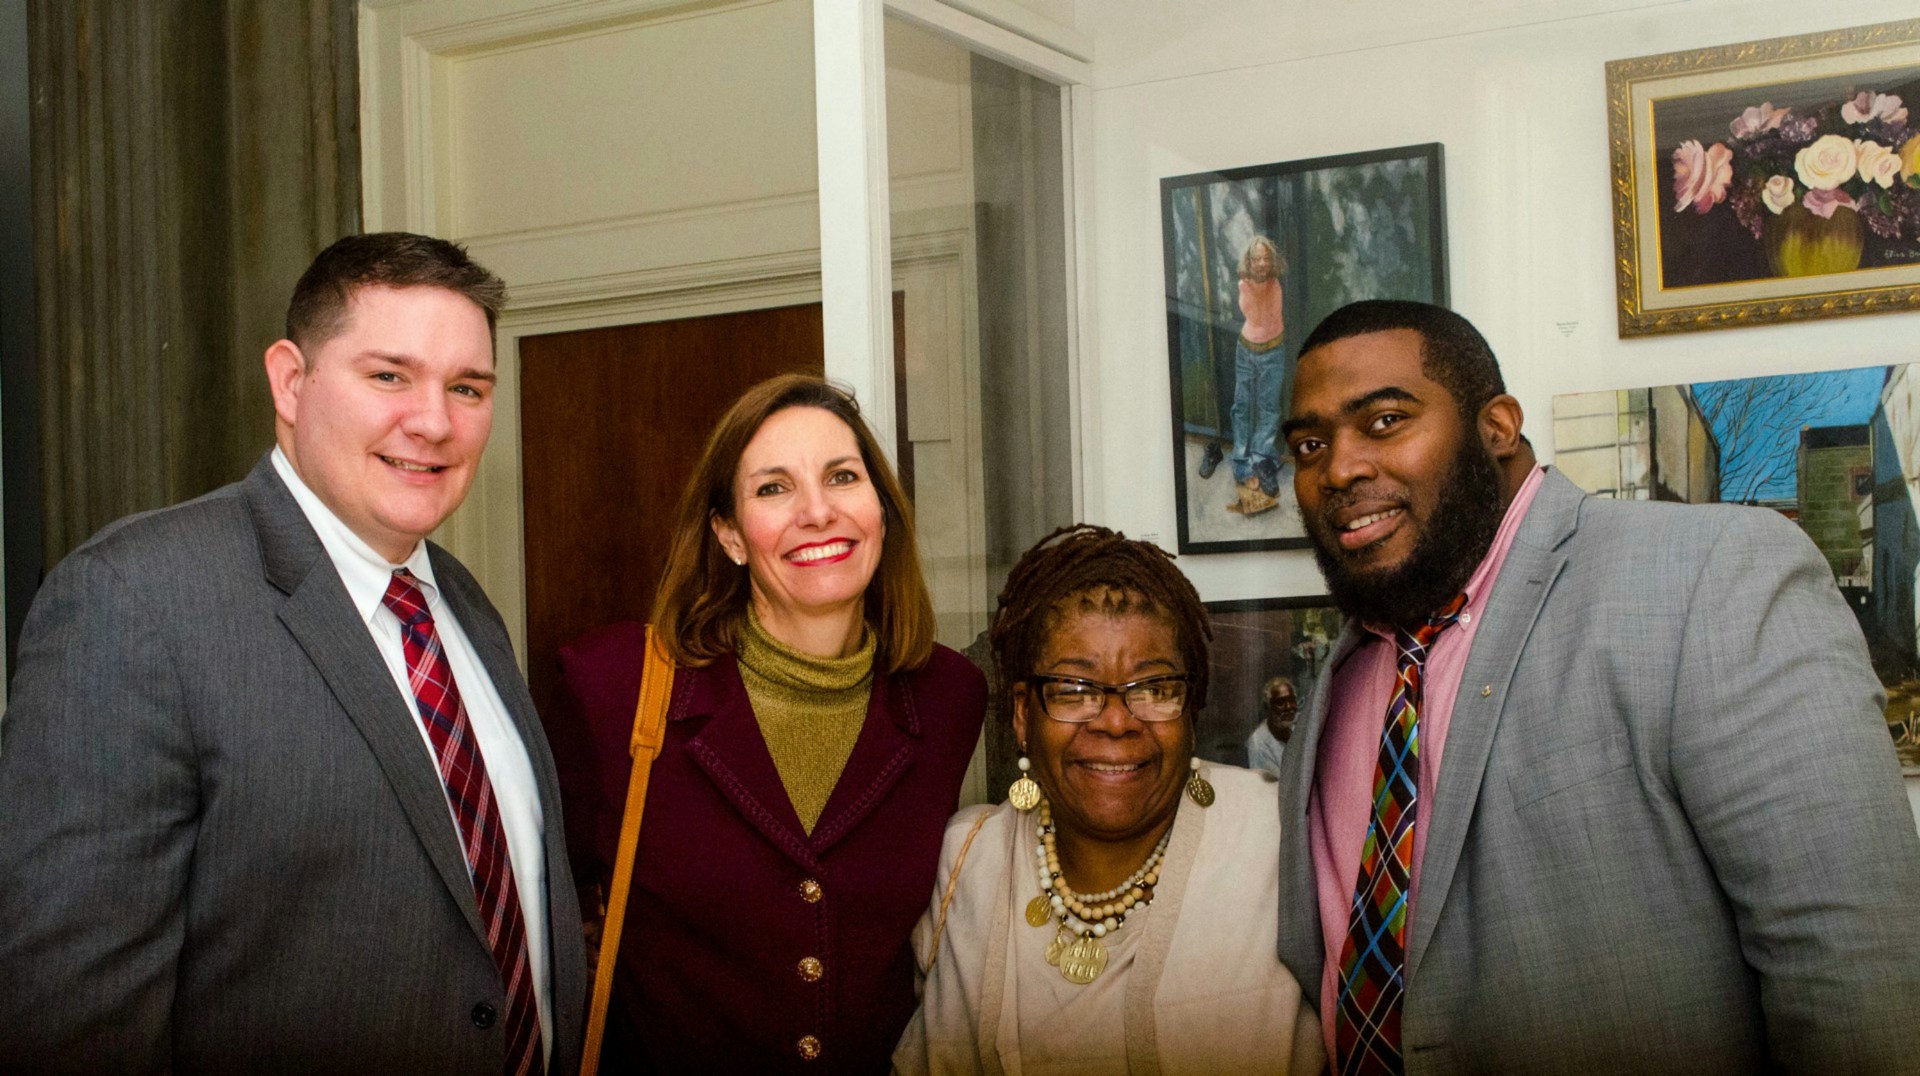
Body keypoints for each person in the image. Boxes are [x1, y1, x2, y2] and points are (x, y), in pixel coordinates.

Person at [1276, 299, 1920, 1074]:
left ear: (1498, 426)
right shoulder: (1337, 683)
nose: (1338, 468)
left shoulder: (1716, 577)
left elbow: (1861, 976)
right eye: (1310, 444)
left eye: (1384, 420)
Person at [0, 232, 586, 1073]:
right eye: (389, 375)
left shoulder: (463, 605)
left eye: (468, 387)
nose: (433, 421)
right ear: (289, 378)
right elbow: (71, 1021)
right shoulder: (137, 600)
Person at [555, 374, 985, 1071]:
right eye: (773, 488)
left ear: (880, 507)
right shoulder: (612, 687)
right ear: (728, 533)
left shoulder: (949, 699)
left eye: (842, 477)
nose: (817, 513)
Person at [894, 525, 1323, 1074]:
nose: (1117, 720)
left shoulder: (1281, 839)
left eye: (1155, 688)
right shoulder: (967, 862)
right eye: (1074, 690)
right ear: (1024, 715)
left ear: (1191, 708)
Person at [1227, 235, 1288, 517]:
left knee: (1268, 408)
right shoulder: (1243, 285)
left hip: (1273, 352)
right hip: (1246, 351)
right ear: (1248, 262)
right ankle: (1242, 463)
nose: (1262, 263)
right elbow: (1250, 311)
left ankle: (1262, 460)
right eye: (1256, 259)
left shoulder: (1274, 285)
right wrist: (1248, 282)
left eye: (1266, 258)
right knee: (1241, 406)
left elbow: (1266, 308)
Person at [1244, 675, 1296, 778]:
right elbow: (1273, 787)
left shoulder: (1295, 729)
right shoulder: (1259, 743)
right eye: (1281, 702)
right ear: (1268, 708)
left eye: (1291, 700)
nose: (1289, 707)